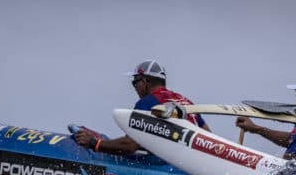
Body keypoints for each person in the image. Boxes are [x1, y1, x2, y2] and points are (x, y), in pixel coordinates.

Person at [74, 60, 210, 155]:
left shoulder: (147, 103)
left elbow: (130, 145)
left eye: (135, 83)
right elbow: (208, 137)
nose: (135, 87)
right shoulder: (186, 102)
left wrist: (93, 143)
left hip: (163, 167)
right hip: (189, 170)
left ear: (144, 81)